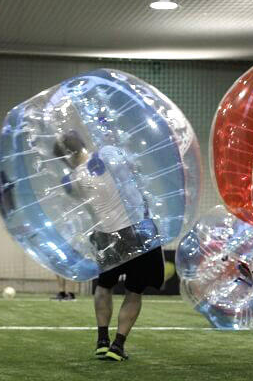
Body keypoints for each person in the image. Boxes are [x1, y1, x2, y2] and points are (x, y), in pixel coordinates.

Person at [53, 130, 164, 362]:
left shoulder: (71, 180)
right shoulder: (108, 153)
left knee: (104, 286)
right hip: (137, 230)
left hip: (105, 236)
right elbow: (137, 173)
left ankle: (101, 341)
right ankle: (118, 345)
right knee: (134, 291)